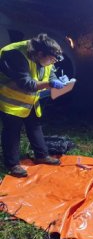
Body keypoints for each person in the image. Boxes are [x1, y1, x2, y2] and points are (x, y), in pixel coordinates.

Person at [0, 33, 70, 177]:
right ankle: (13, 164)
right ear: (39, 54)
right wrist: (50, 84)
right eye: (51, 59)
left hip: (29, 101)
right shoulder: (16, 54)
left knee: (34, 126)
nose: (52, 62)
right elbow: (26, 83)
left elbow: (50, 73)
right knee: (12, 131)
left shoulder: (45, 57)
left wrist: (56, 80)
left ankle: (41, 155)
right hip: (10, 99)